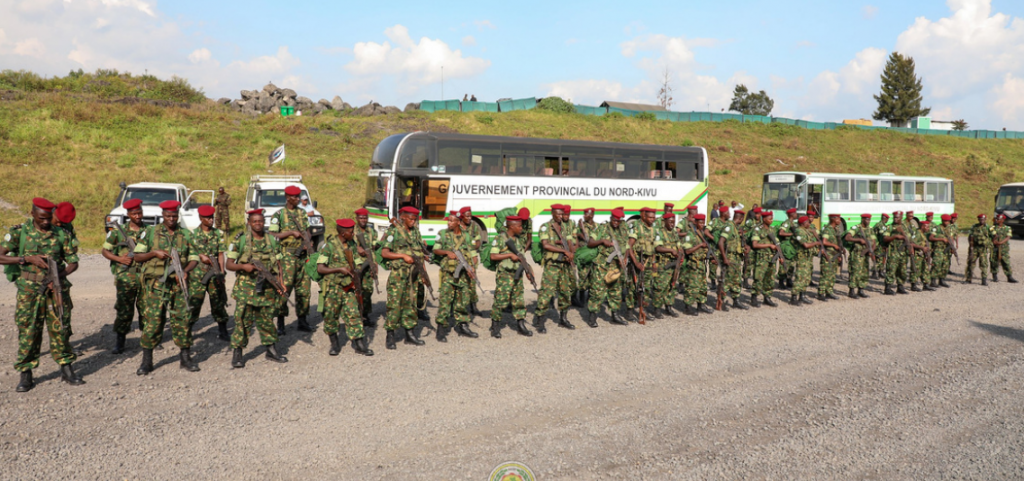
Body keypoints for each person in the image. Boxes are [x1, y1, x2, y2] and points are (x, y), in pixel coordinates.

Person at [0, 198, 83, 392]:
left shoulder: (62, 234)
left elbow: (73, 262)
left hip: (56, 290)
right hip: (29, 291)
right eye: (42, 218)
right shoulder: (19, 232)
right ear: (33, 214)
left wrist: (59, 276)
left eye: (48, 218)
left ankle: (66, 369)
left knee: (61, 329)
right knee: (29, 331)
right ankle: (26, 373)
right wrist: (25, 258)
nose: (46, 222)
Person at [133, 200, 200, 375]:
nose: (171, 219)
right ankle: (147, 361)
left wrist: (185, 271)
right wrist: (153, 253)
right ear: (162, 215)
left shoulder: (185, 233)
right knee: (153, 322)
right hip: (156, 285)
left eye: (174, 216)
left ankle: (185, 359)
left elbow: (194, 257)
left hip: (178, 284)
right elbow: (137, 256)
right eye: (168, 216)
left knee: (183, 320)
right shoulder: (150, 233)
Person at [226, 209, 289, 367]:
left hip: (267, 289)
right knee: (242, 320)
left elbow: (280, 264)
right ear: (249, 222)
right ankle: (238, 353)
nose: (258, 224)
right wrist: (244, 266)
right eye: (254, 221)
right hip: (246, 288)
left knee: (267, 320)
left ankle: (271, 350)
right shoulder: (240, 241)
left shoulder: (272, 240)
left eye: (260, 221)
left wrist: (281, 282)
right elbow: (229, 264)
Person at [316, 218, 374, 356]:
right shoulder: (329, 246)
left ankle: (360, 344)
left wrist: (360, 268)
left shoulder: (352, 244)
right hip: (333, 288)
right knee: (331, 316)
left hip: (349, 286)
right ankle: (334, 344)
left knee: (354, 314)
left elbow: (357, 260)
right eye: (350, 231)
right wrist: (338, 269)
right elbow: (320, 268)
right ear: (343, 233)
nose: (353, 233)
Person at [101, 198, 146, 354]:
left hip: (145, 275)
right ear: (128, 214)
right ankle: (120, 341)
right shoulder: (117, 232)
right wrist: (119, 259)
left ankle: (148, 339)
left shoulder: (150, 231)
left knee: (146, 308)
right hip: (126, 276)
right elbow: (105, 251)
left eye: (140, 212)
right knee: (124, 310)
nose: (138, 216)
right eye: (134, 214)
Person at [380, 206, 428, 349]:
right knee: (394, 305)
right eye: (412, 219)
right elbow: (385, 253)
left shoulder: (415, 232)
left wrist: (424, 273)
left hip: (413, 275)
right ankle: (390, 335)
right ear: (403, 217)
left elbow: (420, 255)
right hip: (398, 276)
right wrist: (402, 256)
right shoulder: (393, 231)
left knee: (411, 305)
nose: (414, 222)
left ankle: (410, 334)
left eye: (416, 219)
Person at [269, 185, 313, 334]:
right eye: (295, 197)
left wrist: (308, 241)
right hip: (287, 256)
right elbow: (272, 234)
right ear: (288, 198)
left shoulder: (302, 213)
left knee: (304, 289)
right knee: (284, 288)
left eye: (298, 196)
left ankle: (303, 320)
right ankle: (280, 323)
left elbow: (307, 229)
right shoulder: (279, 215)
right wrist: (290, 233)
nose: (298, 199)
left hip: (303, 256)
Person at [433, 211, 479, 341]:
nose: (449, 223)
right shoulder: (442, 234)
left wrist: (472, 268)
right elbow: (436, 249)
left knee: (463, 301)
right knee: (445, 301)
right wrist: (447, 252)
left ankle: (463, 325)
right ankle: (441, 329)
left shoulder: (467, 236)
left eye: (452, 221)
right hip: (448, 274)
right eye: (448, 220)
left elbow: (474, 255)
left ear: (458, 222)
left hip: (463, 274)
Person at [188, 205, 230, 341]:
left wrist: (222, 273)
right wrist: (200, 256)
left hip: (214, 273)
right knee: (194, 303)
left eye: (212, 217)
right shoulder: (192, 234)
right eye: (208, 218)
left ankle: (223, 330)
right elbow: (188, 252)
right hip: (197, 275)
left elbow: (221, 254)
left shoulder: (218, 233)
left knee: (218, 302)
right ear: (201, 218)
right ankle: (187, 330)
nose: (211, 220)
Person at [533, 204, 577, 332]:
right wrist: (564, 251)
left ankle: (563, 319)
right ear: (552, 213)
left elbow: (569, 241)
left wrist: (571, 252)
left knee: (565, 292)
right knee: (546, 293)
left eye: (561, 214)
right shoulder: (545, 227)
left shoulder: (564, 227)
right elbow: (546, 245)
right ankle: (539, 321)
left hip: (564, 264)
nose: (560, 216)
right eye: (557, 214)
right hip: (552, 264)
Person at [489, 215, 534, 337]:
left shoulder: (518, 240)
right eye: (519, 226)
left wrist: (528, 271)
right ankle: (495, 326)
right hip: (505, 275)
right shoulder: (500, 238)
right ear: (512, 226)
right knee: (501, 301)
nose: (521, 228)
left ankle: (521, 325)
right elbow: (493, 256)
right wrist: (508, 255)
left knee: (518, 300)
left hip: (517, 275)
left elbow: (522, 257)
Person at [586, 207, 631, 325]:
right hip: (601, 265)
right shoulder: (602, 228)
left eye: (618, 221)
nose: (616, 223)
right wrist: (601, 241)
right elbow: (590, 243)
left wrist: (625, 258)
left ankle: (615, 316)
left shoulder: (623, 229)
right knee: (597, 292)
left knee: (616, 291)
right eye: (614, 220)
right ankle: (592, 317)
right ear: (611, 218)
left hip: (616, 265)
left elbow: (627, 246)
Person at [628, 207, 663, 319]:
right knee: (633, 287)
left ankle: (643, 309)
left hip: (648, 261)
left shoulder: (654, 229)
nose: (653, 219)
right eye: (650, 217)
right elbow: (629, 246)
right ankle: (629, 311)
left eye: (654, 217)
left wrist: (653, 263)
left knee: (646, 286)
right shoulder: (636, 227)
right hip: (637, 261)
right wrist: (636, 262)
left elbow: (655, 247)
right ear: (644, 216)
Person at [51, 202, 79, 341]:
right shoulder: (39, 224)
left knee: (64, 311)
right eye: (58, 221)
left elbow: (74, 251)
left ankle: (64, 346)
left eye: (63, 223)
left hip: (58, 273)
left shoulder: (66, 227)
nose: (59, 225)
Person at [679, 214, 712, 315]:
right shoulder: (690, 235)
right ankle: (687, 307)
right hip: (693, 265)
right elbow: (687, 251)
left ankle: (701, 305)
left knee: (702, 286)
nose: (702, 224)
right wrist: (700, 245)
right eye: (700, 222)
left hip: (701, 264)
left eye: (703, 222)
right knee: (692, 287)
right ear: (695, 222)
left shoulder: (701, 233)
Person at [717, 210, 748, 309]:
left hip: (736, 258)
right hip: (729, 257)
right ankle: (722, 301)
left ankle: (736, 301)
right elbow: (721, 242)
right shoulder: (729, 227)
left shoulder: (736, 228)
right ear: (741, 218)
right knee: (727, 280)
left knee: (736, 280)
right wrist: (724, 258)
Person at [748, 211, 780, 307]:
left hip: (772, 258)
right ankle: (754, 297)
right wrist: (769, 245)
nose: (771, 220)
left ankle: (767, 297)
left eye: (772, 218)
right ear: (764, 219)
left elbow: (777, 244)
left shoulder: (772, 230)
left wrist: (780, 256)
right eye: (770, 218)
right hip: (762, 258)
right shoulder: (757, 229)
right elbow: (755, 244)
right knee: (759, 278)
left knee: (770, 279)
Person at [458, 206, 485, 317]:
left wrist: (473, 249)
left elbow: (478, 240)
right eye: (467, 216)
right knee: (459, 282)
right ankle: (458, 308)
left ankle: (474, 307)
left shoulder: (473, 225)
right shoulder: (456, 225)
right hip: (459, 257)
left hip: (471, 256)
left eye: (470, 216)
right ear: (462, 216)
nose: (469, 218)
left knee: (472, 282)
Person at [353, 208, 377, 325]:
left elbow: (373, 249)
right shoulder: (352, 230)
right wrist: (357, 248)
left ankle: (365, 315)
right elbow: (346, 245)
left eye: (365, 218)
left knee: (368, 290)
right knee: (357, 290)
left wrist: (374, 264)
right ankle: (356, 315)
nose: (363, 220)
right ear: (357, 218)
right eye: (361, 218)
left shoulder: (371, 231)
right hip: (357, 264)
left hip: (368, 263)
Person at [789, 216, 819, 306]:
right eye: (807, 222)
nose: (809, 224)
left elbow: (816, 235)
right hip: (802, 258)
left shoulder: (806, 230)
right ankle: (793, 298)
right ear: (802, 223)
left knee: (806, 278)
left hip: (808, 258)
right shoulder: (799, 231)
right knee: (800, 277)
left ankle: (802, 295)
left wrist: (814, 233)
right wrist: (816, 243)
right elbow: (805, 245)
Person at [844, 214, 874, 298]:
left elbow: (874, 240)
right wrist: (858, 240)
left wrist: (871, 250)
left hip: (865, 254)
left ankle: (861, 290)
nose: (868, 221)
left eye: (869, 220)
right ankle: (852, 291)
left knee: (864, 272)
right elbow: (847, 237)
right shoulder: (856, 228)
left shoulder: (870, 229)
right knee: (855, 272)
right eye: (866, 220)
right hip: (856, 254)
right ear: (862, 219)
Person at [882, 211, 910, 295]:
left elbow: (908, 239)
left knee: (902, 270)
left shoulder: (904, 227)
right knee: (891, 270)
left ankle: (900, 286)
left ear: (901, 217)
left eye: (897, 217)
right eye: (894, 217)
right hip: (893, 252)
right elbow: (885, 238)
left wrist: (902, 232)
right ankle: (887, 288)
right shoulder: (889, 227)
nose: (895, 219)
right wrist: (894, 236)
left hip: (903, 252)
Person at [818, 214, 843, 301]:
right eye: (838, 219)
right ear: (833, 219)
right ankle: (821, 293)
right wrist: (833, 245)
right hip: (828, 255)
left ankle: (829, 291)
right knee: (826, 274)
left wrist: (839, 254)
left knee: (832, 275)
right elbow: (824, 242)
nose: (839, 220)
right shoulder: (827, 229)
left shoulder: (836, 229)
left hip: (834, 255)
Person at [965, 214, 992, 285]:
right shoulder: (974, 227)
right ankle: (968, 279)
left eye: (983, 219)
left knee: (983, 264)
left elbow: (993, 237)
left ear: (985, 219)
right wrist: (971, 247)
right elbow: (970, 236)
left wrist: (989, 244)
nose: (981, 221)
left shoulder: (989, 227)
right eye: (980, 219)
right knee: (971, 263)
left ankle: (984, 280)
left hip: (983, 249)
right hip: (975, 248)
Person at [928, 214, 954, 288]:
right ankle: (933, 281)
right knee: (937, 265)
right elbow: (931, 238)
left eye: (948, 221)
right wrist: (941, 239)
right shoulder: (937, 228)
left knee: (945, 265)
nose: (947, 222)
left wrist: (952, 247)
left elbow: (951, 237)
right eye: (945, 221)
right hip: (938, 249)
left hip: (947, 249)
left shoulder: (950, 228)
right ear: (942, 221)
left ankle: (942, 280)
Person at [989, 214, 1016, 283]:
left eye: (998, 219)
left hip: (1004, 248)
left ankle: (1009, 276)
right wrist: (994, 241)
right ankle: (994, 275)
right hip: (995, 247)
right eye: (996, 219)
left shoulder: (1007, 228)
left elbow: (1008, 236)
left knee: (1006, 262)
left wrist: (1001, 242)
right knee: (994, 261)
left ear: (1002, 220)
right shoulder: (992, 227)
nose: (996, 220)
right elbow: (993, 234)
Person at [909, 221, 935, 292]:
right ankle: (913, 285)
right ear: (922, 226)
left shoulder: (923, 234)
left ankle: (926, 284)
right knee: (916, 270)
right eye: (927, 226)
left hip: (923, 255)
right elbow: (911, 243)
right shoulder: (917, 233)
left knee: (925, 269)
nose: (928, 228)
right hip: (918, 254)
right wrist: (922, 248)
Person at [776, 208, 799, 288]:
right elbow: (781, 233)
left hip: (792, 246)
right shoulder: (787, 223)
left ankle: (789, 280)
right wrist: (792, 234)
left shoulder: (793, 223)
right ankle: (781, 281)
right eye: (795, 213)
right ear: (791, 214)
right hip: (786, 245)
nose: (796, 214)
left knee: (792, 264)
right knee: (785, 263)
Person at [872, 213, 891, 279]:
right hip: (878, 244)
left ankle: (880, 271)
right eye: (887, 219)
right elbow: (881, 235)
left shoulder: (882, 225)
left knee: (882, 257)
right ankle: (875, 272)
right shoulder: (880, 225)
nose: (887, 220)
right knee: (878, 258)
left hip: (879, 244)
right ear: (885, 218)